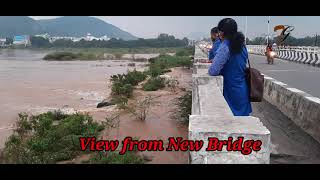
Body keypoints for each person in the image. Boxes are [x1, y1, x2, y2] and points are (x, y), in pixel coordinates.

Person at [208, 18, 252, 116]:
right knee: (243, 123)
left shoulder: (225, 47)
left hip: (230, 90)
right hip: (242, 89)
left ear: (222, 33)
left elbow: (213, 71)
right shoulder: (242, 45)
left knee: (231, 122)